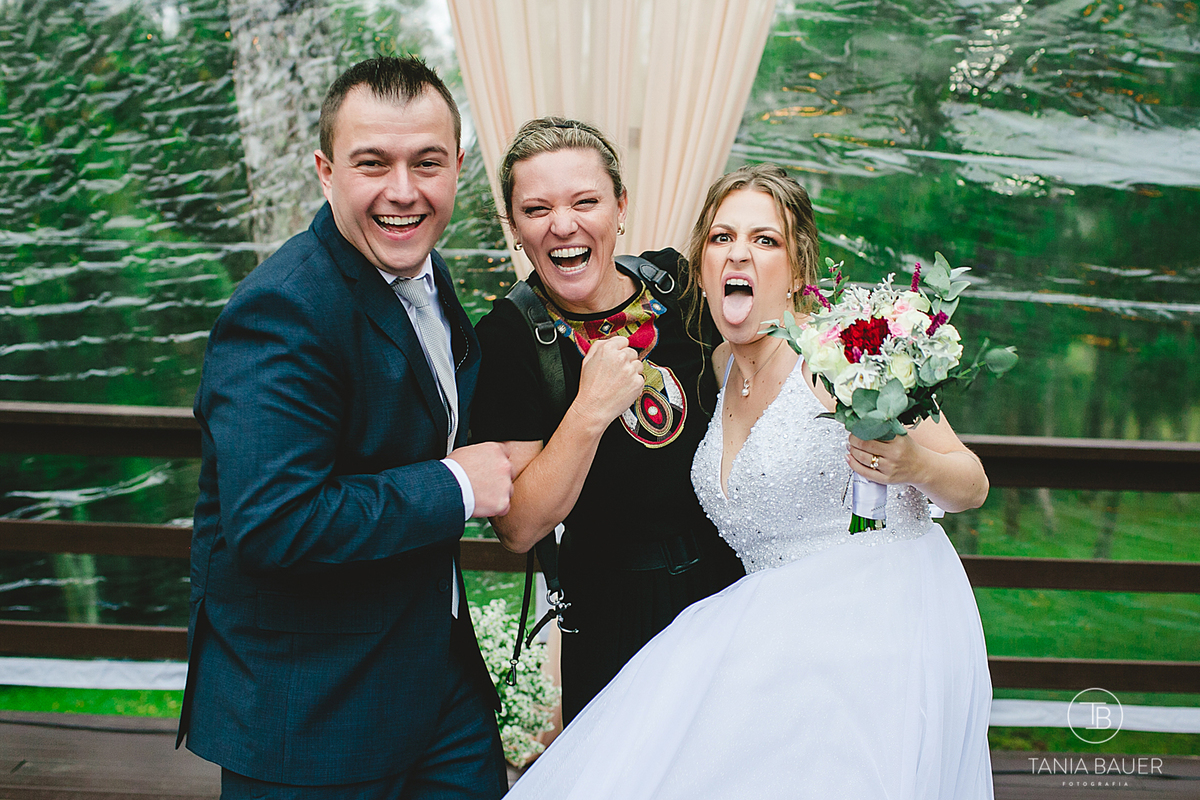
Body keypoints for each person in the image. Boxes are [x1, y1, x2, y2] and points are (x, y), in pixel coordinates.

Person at [503, 163, 995, 799]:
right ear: (702, 266)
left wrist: (916, 466)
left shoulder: (843, 350)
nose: (740, 253)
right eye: (721, 238)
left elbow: (972, 482)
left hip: (874, 630)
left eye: (765, 240)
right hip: (768, 635)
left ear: (797, 267)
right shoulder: (713, 363)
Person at [177, 56, 514, 800]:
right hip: (315, 712)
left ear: (456, 167)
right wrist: (456, 486)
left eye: (427, 162)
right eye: (374, 163)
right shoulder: (282, 312)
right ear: (326, 171)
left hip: (437, 682)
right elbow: (276, 524)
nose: (404, 191)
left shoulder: (426, 271)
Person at [471, 117, 745, 722]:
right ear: (514, 227)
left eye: (585, 201)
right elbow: (517, 528)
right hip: (611, 614)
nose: (563, 224)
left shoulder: (681, 287)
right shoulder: (510, 338)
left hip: (727, 591)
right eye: (536, 208)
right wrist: (589, 410)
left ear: (620, 207)